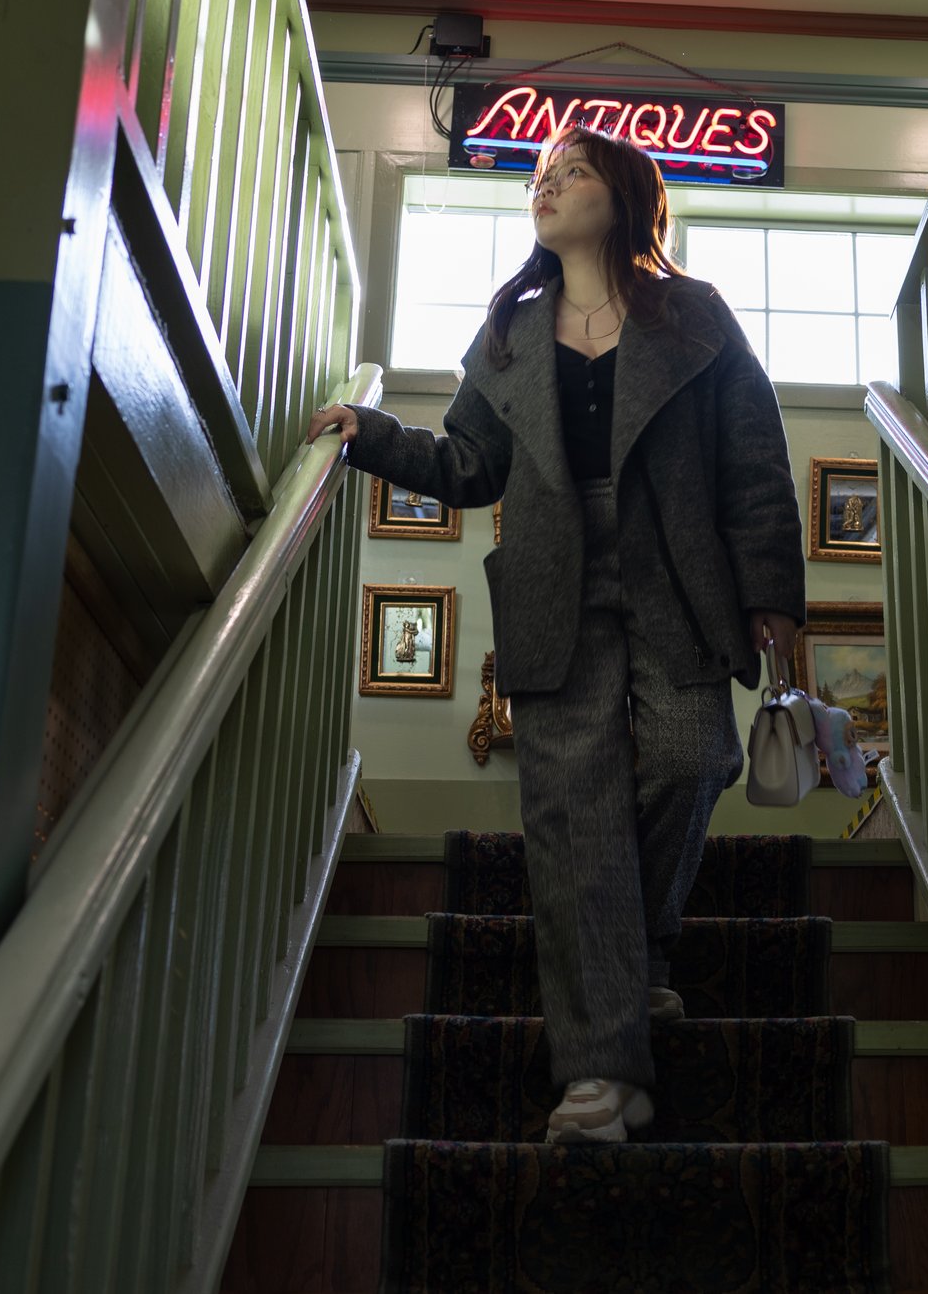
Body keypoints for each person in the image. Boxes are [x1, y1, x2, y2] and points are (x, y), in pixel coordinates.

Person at [307, 127, 804, 1143]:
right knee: (573, 817)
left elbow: (753, 461)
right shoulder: (506, 338)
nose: (548, 188)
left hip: (678, 574)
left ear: (624, 196)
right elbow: (468, 467)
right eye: (537, 179)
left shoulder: (695, 315)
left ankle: (644, 945)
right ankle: (599, 1073)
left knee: (688, 756)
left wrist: (774, 596)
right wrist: (373, 435)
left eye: (571, 172)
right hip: (551, 583)